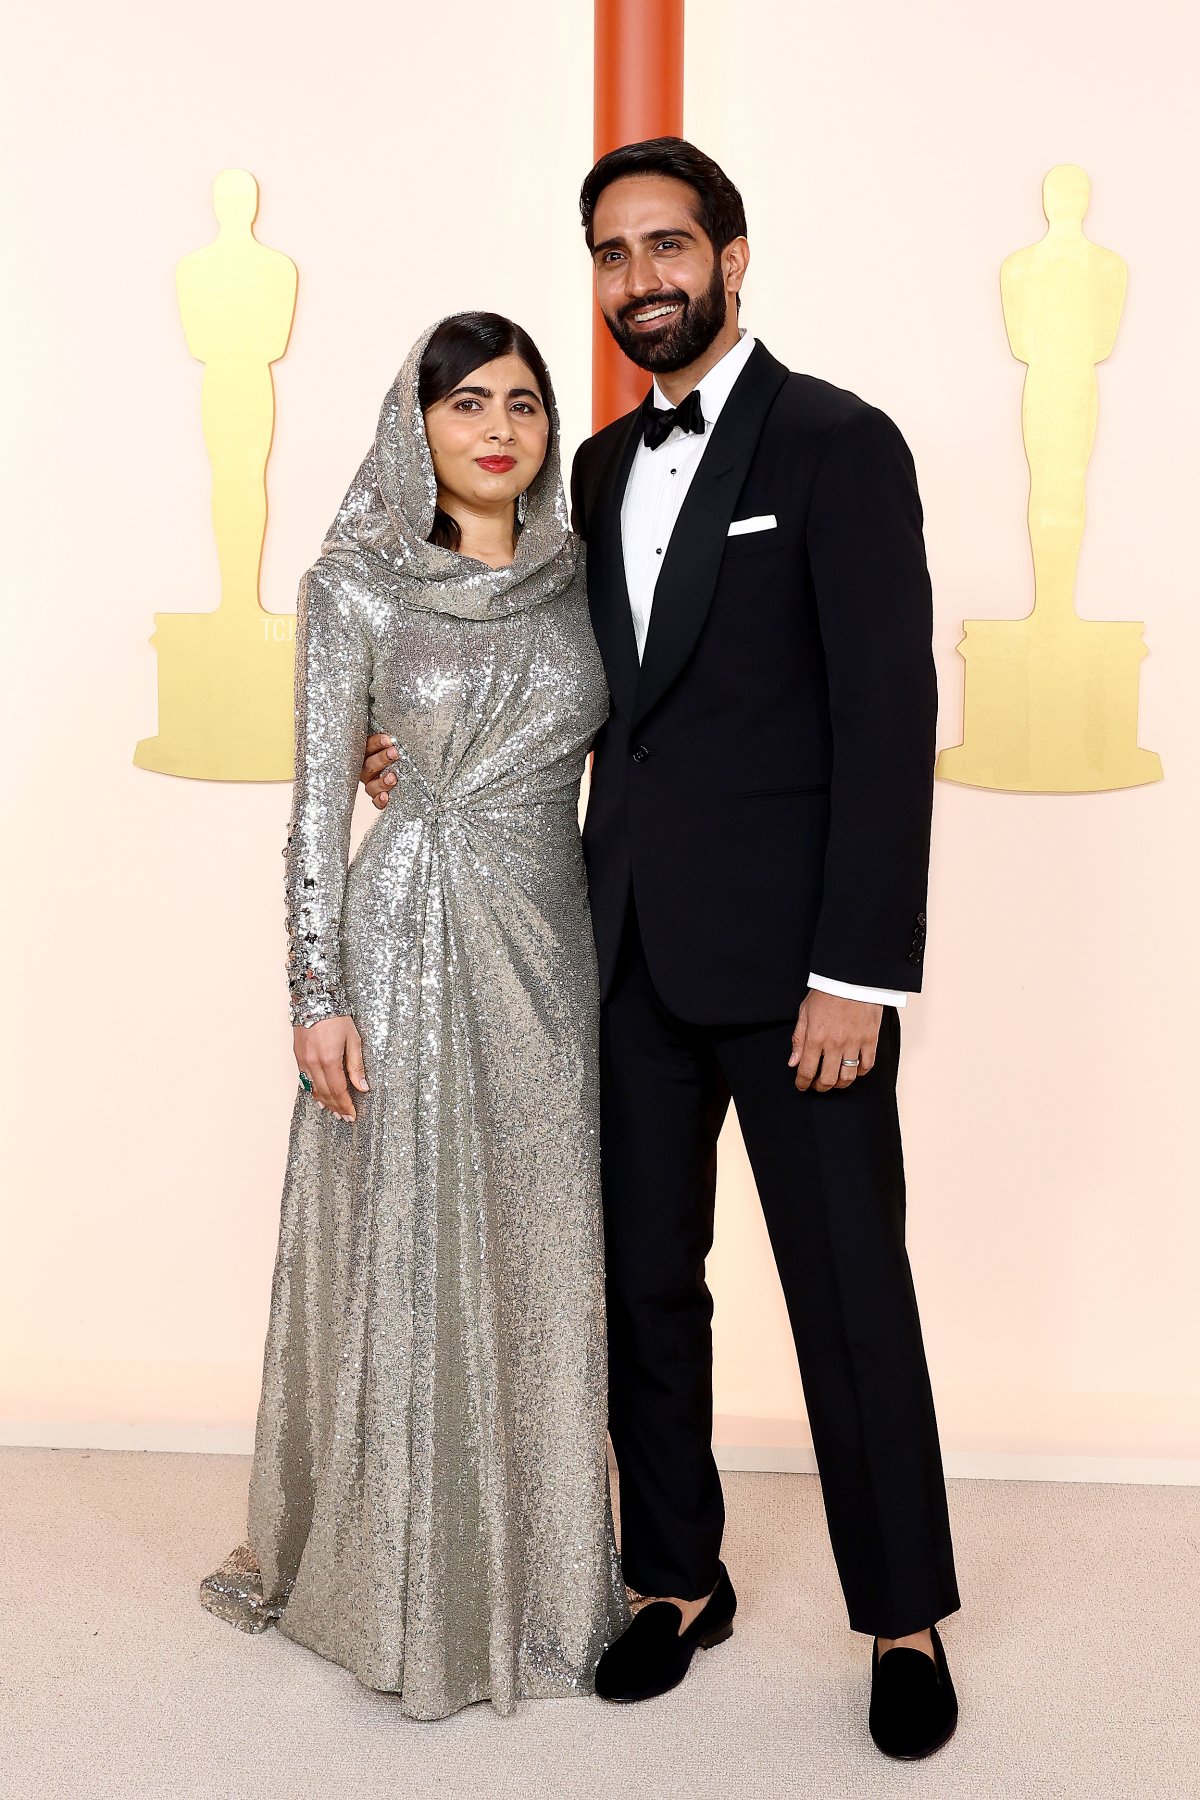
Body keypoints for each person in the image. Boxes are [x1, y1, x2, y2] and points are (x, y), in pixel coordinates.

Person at [363, 139, 961, 1761]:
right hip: (612, 949)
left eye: (669, 245)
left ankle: (904, 1617)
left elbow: (888, 718)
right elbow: (571, 695)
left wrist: (860, 970)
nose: (643, 278)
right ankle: (676, 1581)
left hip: (800, 974)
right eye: (614, 253)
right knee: (641, 1286)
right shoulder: (604, 469)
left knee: (849, 1290)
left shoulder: (843, 445)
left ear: (736, 257)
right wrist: (411, 746)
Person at [199, 312, 628, 1721]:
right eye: (464, 403)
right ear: (417, 426)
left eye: (522, 402)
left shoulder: (585, 578)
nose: (498, 426)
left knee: (540, 1252)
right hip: (401, 942)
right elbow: (319, 802)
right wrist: (314, 992)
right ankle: (397, 1578)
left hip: (549, 948)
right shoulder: (356, 588)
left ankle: (554, 1573)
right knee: (407, 1248)